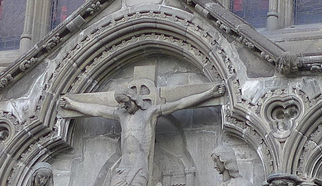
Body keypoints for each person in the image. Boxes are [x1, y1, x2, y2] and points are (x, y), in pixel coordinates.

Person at [60, 80, 223, 186]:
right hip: (122, 169)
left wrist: (209, 93)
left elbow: (179, 104)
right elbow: (96, 110)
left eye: (124, 102)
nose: (123, 106)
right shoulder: (121, 115)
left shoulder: (149, 113)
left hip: (139, 167)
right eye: (120, 104)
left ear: (133, 99)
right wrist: (72, 104)